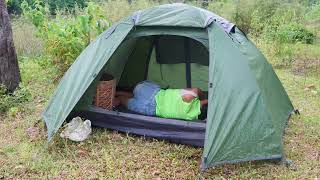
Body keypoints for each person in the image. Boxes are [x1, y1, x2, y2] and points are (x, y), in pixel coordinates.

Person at [114, 81, 208, 120]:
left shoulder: (189, 97)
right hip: (150, 110)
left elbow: (196, 90)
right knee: (122, 100)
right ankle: (114, 97)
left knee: (136, 90)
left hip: (152, 93)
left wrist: (203, 98)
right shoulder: (190, 118)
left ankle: (117, 91)